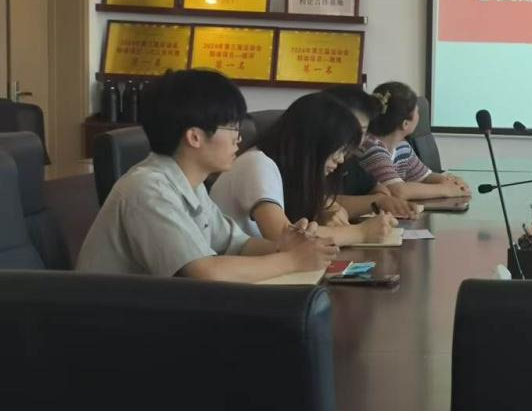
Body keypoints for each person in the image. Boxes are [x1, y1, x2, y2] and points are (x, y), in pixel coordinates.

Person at [76, 69, 336, 280]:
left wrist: (286, 245)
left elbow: (237, 244)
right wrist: (292, 260)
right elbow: (204, 273)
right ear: (195, 137)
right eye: (232, 128)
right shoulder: (147, 189)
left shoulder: (190, 183)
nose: (239, 139)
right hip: (115, 322)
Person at [211, 92, 397, 246]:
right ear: (313, 143)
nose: (340, 160)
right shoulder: (256, 164)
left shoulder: (286, 171)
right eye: (338, 150)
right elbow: (283, 236)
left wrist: (324, 213)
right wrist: (361, 233)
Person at [358, 82, 471, 200]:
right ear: (405, 124)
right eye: (417, 111)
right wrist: (446, 190)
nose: (419, 114)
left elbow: (425, 177)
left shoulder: (402, 147)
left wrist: (451, 182)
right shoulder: (371, 148)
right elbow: (398, 191)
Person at [325, 83, 421, 221]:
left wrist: (380, 199)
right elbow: (321, 203)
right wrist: (376, 202)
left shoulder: (350, 159)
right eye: (356, 130)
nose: (361, 139)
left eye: (363, 131)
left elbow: (376, 189)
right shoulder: (320, 161)